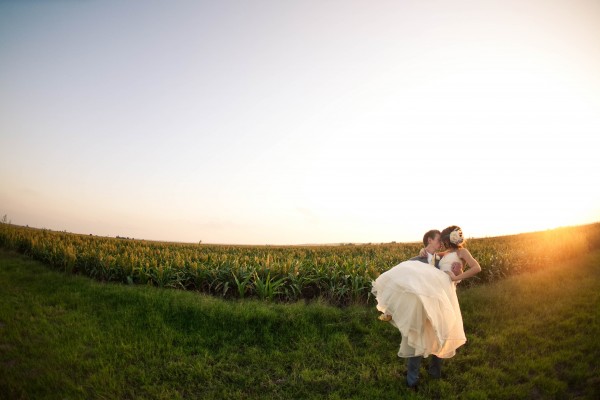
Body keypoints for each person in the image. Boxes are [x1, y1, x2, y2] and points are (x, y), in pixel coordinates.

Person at [371, 226, 481, 389]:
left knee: (441, 333)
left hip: (444, 298)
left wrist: (458, 275)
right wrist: (424, 251)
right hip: (425, 303)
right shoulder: (427, 257)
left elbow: (469, 268)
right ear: (431, 241)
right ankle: (412, 379)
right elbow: (419, 270)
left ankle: (434, 373)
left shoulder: (458, 253)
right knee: (418, 335)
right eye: (439, 240)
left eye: (443, 240)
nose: (441, 243)